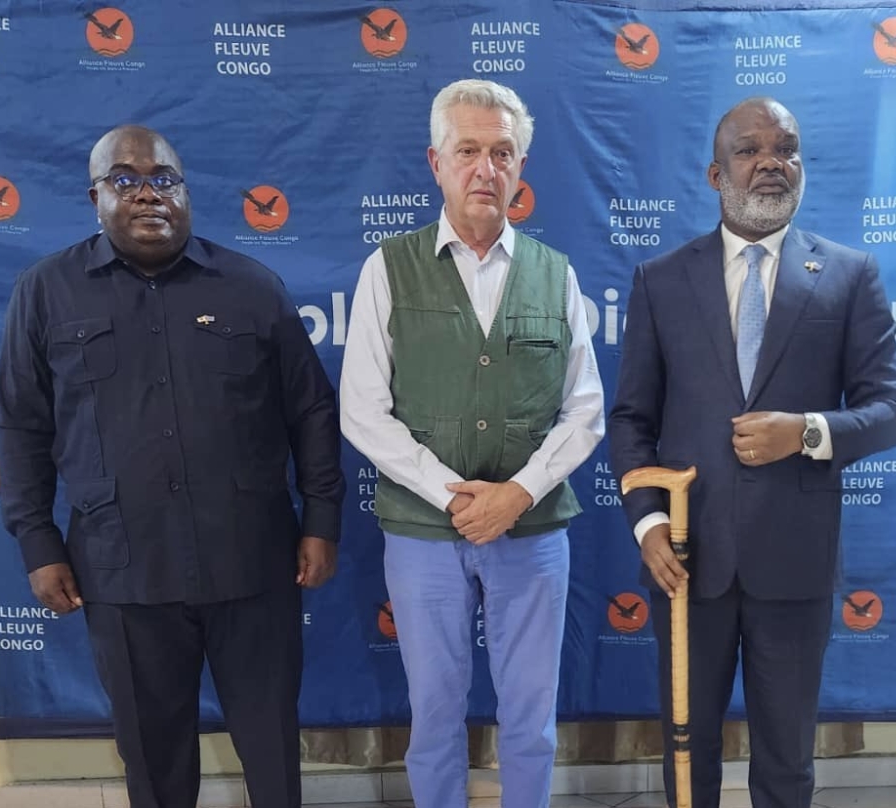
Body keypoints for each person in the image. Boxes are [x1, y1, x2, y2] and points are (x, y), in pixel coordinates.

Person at [0, 125, 345, 808]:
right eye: (125, 180)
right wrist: (38, 543)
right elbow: (20, 427)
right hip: (124, 571)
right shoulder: (44, 293)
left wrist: (322, 519)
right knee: (153, 765)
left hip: (253, 565)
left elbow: (311, 411)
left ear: (186, 192)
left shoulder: (251, 286)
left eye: (165, 178)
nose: (148, 192)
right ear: (95, 195)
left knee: (273, 749)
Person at [608, 96, 896, 808]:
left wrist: (806, 431)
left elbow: (891, 411)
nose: (772, 161)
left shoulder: (848, 274)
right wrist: (649, 526)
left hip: (794, 567)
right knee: (689, 759)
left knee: (785, 764)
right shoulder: (661, 280)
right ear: (716, 173)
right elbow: (629, 421)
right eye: (750, 150)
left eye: (787, 148)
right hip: (687, 562)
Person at [340, 79, 605, 808]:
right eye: (468, 151)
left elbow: (585, 410)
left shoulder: (555, 274)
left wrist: (518, 494)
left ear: (520, 166)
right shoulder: (386, 269)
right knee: (433, 719)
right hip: (425, 532)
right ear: (436, 161)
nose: (484, 168)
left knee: (531, 719)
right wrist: (454, 496)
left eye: (502, 152)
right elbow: (362, 411)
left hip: (534, 528)